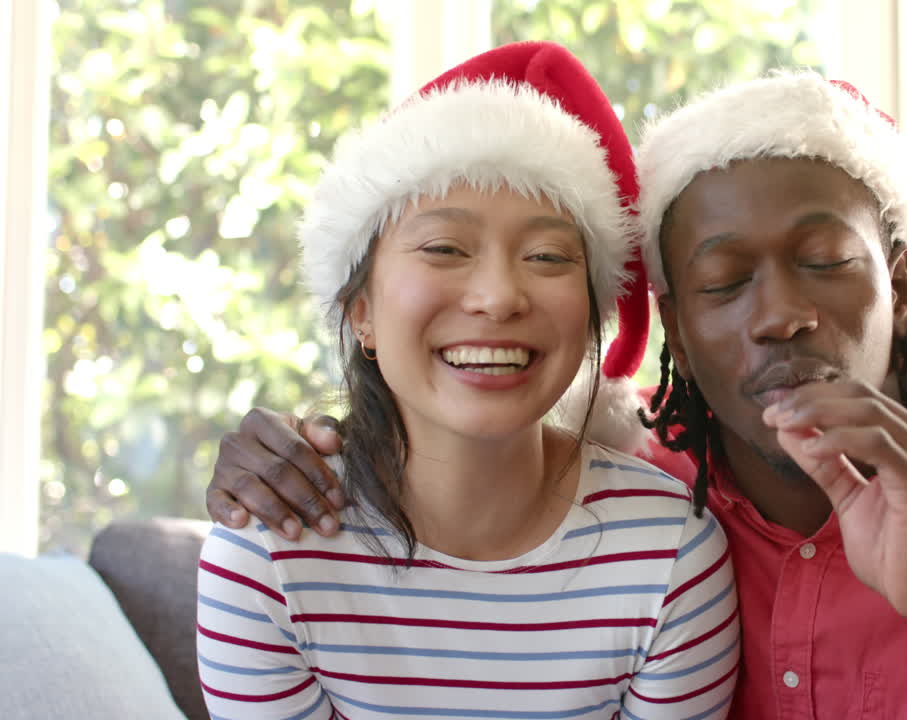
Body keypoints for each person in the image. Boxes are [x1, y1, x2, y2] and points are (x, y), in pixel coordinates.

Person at [206, 69, 907, 719]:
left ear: (898, 287)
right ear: (671, 320)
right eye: (722, 282)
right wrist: (299, 450)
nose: (778, 315)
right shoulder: (650, 491)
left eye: (824, 260)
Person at [195, 41, 738, 720]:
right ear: (359, 311)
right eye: (444, 248)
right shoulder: (269, 551)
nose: (498, 297)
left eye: (546, 256)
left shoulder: (670, 553)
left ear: (591, 315)